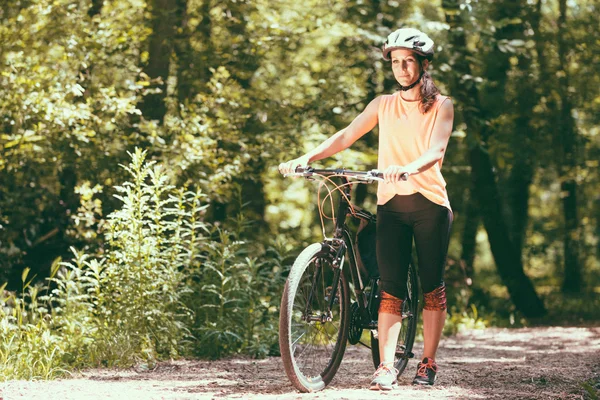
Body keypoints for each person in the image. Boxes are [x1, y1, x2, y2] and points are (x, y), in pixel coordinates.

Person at [279, 27, 454, 390]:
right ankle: (386, 367)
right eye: (395, 62)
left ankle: (428, 361)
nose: (402, 68)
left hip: (429, 205)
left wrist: (408, 167)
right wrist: (307, 157)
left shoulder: (441, 105)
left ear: (423, 64)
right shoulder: (382, 104)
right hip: (391, 204)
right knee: (390, 288)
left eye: (409, 61)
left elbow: (435, 151)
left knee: (431, 288)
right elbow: (346, 135)